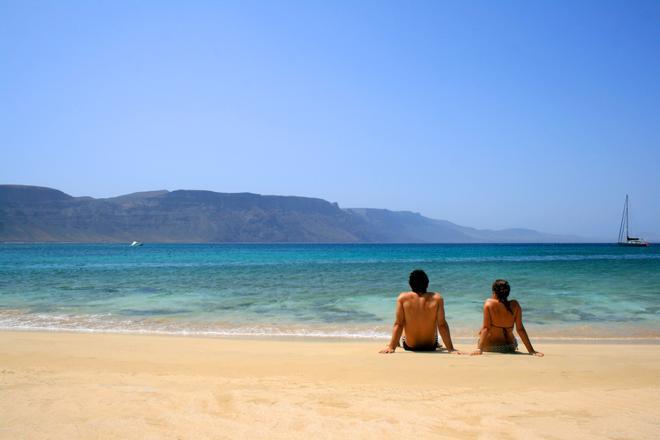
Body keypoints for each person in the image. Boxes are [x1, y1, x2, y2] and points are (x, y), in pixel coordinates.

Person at [379, 270, 457, 354]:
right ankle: (437, 343)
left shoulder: (402, 298)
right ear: (427, 284)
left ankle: (395, 343)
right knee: (436, 320)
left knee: (401, 322)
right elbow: (442, 325)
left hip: (409, 346)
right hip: (430, 346)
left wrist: (391, 348)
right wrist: (450, 349)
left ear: (410, 284)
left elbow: (399, 324)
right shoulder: (437, 298)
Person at [472, 279, 543, 356]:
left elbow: (486, 328)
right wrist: (531, 351)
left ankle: (480, 347)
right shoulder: (515, 305)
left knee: (483, 329)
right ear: (508, 293)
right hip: (510, 346)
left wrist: (479, 349)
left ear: (494, 292)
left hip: (491, 347)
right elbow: (520, 329)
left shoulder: (489, 303)